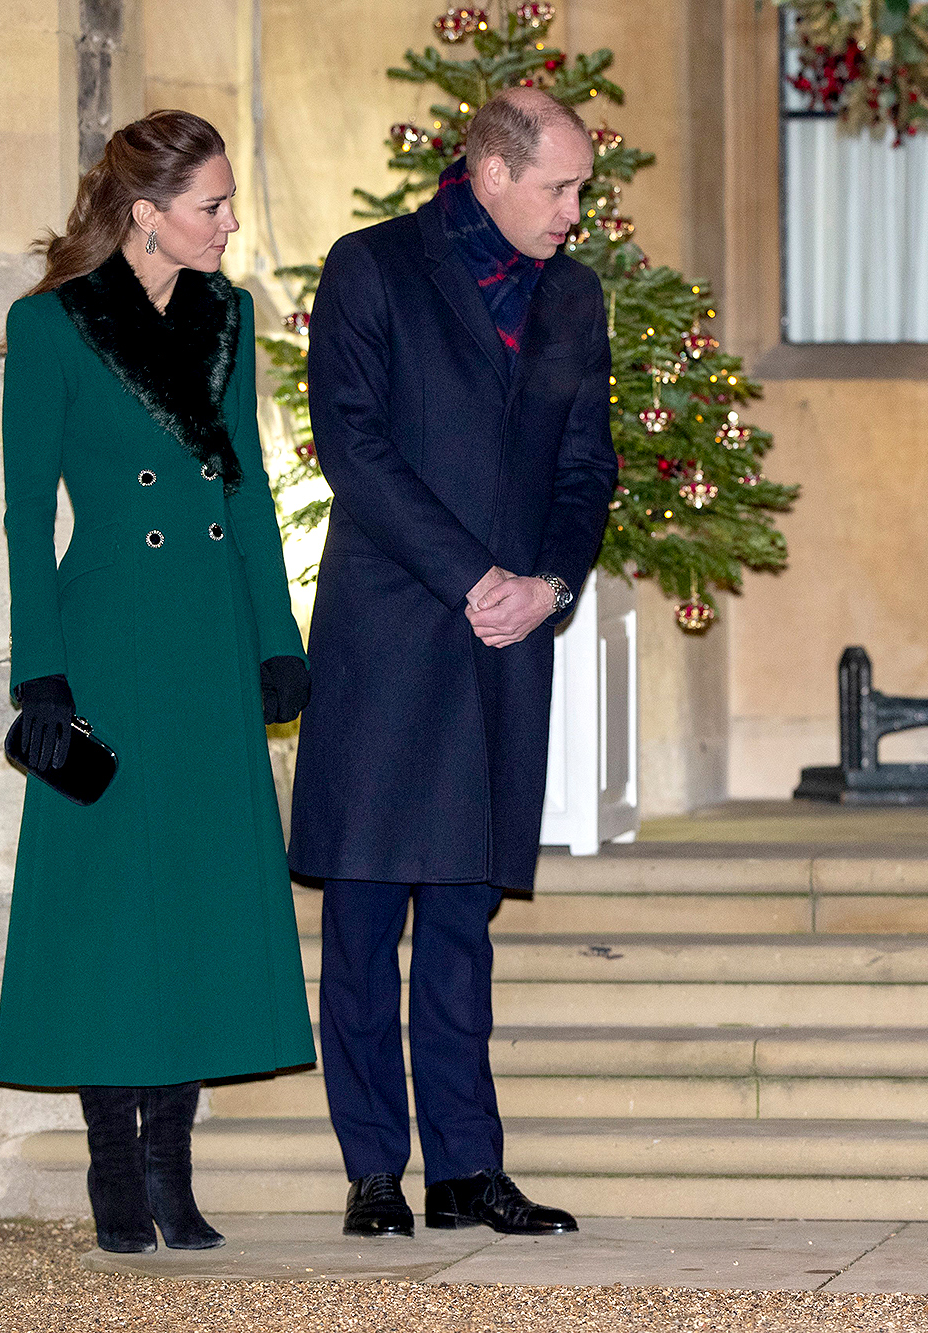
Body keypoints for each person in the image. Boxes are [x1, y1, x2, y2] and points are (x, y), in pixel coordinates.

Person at [288, 86, 617, 1240]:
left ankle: (468, 1168)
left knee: (464, 923)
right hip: (390, 631)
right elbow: (352, 442)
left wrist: (549, 586)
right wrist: (470, 573)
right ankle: (375, 1168)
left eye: (579, 188)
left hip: (504, 643)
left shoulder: (573, 297)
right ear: (488, 169)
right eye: (558, 186)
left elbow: (587, 470)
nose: (574, 211)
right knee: (368, 916)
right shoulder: (372, 266)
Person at [0, 110, 315, 1256]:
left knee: (197, 896)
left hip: (209, 646)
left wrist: (277, 635)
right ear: (147, 213)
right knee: (107, 906)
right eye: (212, 206)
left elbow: (251, 494)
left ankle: (175, 1170)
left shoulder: (228, 320)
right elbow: (29, 514)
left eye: (227, 204)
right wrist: (41, 675)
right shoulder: (51, 327)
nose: (230, 224)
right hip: (109, 640)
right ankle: (113, 1168)